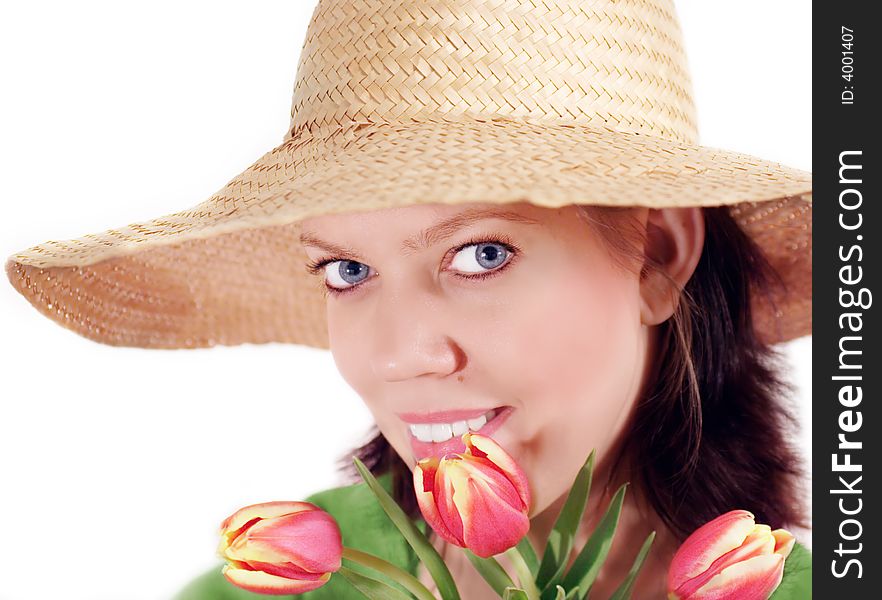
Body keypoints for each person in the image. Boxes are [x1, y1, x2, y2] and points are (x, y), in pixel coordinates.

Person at [5, 0, 811, 598]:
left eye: (481, 255)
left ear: (657, 256)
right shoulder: (259, 589)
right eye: (346, 272)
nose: (395, 354)